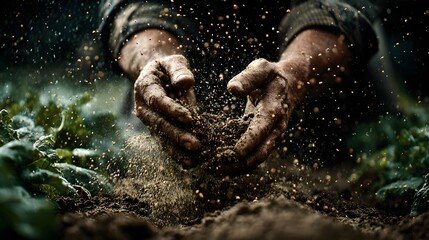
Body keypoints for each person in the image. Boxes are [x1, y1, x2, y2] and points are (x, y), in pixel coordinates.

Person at [98, 0, 380, 174]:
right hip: (187, 79)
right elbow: (130, 8)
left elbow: (345, 7)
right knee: (146, 152)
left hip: (321, 90)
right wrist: (157, 60)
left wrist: (293, 73)